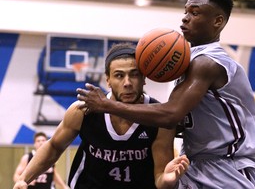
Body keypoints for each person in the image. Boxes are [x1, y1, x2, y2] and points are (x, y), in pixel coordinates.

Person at [76, 0, 255, 188]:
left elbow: (170, 115)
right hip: (195, 163)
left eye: (195, 12)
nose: (185, 18)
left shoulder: (208, 62)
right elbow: (180, 120)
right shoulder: (189, 62)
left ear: (218, 21)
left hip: (229, 166)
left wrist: (107, 105)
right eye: (185, 12)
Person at [13, 43, 189, 189]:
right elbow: (53, 147)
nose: (127, 83)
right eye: (119, 76)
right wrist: (24, 178)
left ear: (144, 78)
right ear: (108, 80)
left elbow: (160, 177)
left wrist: (167, 180)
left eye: (134, 74)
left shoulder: (159, 117)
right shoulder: (83, 110)